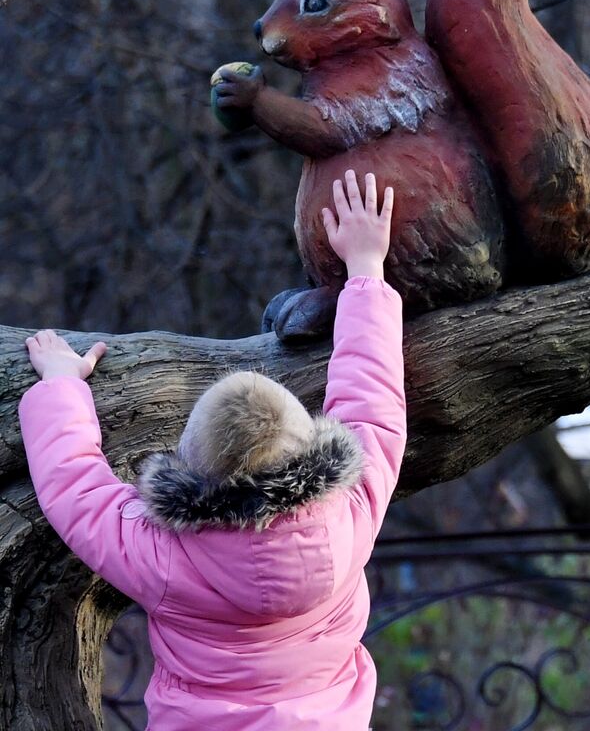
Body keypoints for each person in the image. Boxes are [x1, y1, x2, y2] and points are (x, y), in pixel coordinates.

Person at [19, 170, 403, 729]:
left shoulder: (162, 554)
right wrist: (366, 266)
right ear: (311, 445)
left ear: (192, 466)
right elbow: (372, 397)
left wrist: (60, 385)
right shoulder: (352, 508)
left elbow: (74, 486)